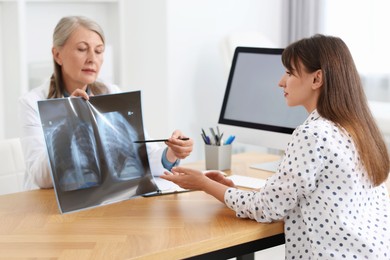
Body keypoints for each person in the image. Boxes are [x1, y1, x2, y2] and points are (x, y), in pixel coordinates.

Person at [161, 34, 390, 259]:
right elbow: (311, 195)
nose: (281, 81)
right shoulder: (360, 128)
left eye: (289, 73)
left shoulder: (313, 135)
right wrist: (231, 190)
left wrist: (204, 184)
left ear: (316, 79)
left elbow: (266, 208)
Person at [19, 16, 193, 190]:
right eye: (82, 49)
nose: (92, 59)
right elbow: (40, 178)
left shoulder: (112, 93)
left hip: (104, 200)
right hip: (49, 208)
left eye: (99, 51)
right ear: (57, 55)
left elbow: (144, 156)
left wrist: (171, 153)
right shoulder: (32, 103)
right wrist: (68, 119)